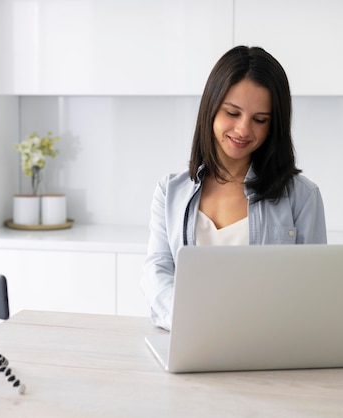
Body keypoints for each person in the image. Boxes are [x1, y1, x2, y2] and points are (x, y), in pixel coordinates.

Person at [140, 46, 327, 331]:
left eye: (259, 120)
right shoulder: (170, 192)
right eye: (232, 112)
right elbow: (157, 271)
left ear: (273, 125)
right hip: (189, 341)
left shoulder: (302, 197)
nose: (243, 130)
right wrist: (189, 322)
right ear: (212, 108)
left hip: (267, 349)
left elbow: (313, 291)